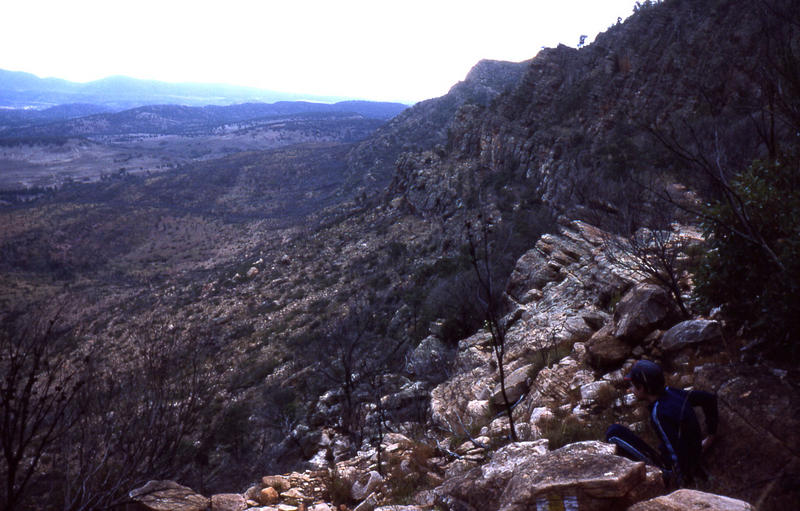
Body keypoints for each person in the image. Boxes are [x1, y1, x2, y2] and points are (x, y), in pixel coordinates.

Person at [605, 360, 718, 487]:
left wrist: (680, 483)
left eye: (632, 385)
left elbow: (674, 451)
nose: (630, 389)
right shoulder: (672, 392)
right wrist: (711, 435)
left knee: (613, 434)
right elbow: (709, 399)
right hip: (692, 454)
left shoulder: (659, 413)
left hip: (670, 469)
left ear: (642, 388)